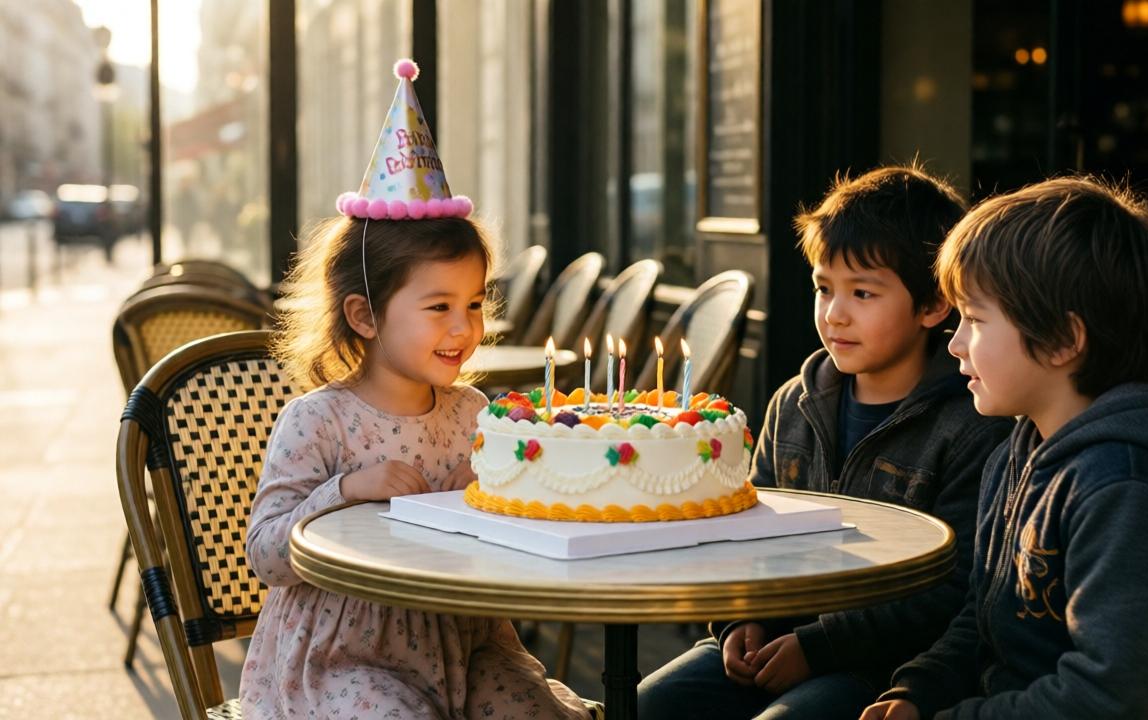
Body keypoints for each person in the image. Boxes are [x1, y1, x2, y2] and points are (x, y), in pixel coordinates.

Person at [239, 58, 590, 719]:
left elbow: (508, 544)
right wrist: (345, 490)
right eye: (438, 308)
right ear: (365, 315)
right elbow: (266, 552)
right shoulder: (320, 421)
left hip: (465, 642)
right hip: (345, 656)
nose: (465, 329)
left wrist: (501, 500)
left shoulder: (475, 413)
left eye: (475, 303)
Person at [861, 177, 1148, 720]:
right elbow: (981, 619)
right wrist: (918, 693)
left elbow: (1109, 700)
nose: (954, 343)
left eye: (976, 320)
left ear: (1062, 340)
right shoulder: (1019, 451)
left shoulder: (1131, 487)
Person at [637, 166, 1011, 719]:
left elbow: (951, 589)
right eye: (823, 288)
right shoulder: (795, 403)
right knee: (645, 706)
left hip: (884, 666)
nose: (835, 313)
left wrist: (817, 649)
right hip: (772, 639)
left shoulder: (969, 424)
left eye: (862, 293)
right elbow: (747, 530)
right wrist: (741, 620)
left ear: (933, 305)